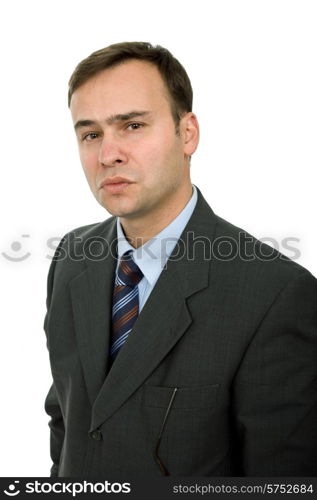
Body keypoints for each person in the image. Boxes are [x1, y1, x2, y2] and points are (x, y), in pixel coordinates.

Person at [44, 42, 317, 477]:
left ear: (187, 133)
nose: (107, 154)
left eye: (132, 125)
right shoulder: (72, 258)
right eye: (90, 133)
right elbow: (68, 417)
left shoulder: (275, 294)